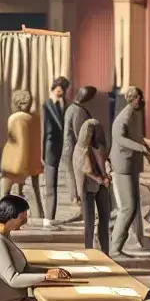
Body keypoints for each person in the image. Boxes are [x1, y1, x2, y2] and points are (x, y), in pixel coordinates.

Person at [108, 85, 150, 256]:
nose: (142, 101)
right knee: (128, 207)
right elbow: (118, 138)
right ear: (132, 99)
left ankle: (139, 239)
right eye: (139, 98)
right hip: (122, 166)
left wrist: (145, 147)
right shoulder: (124, 116)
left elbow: (137, 136)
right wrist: (141, 148)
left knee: (135, 206)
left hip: (132, 165)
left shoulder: (136, 114)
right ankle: (115, 247)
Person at [0, 89, 46, 220]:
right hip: (33, 159)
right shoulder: (36, 118)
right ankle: (38, 216)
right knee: (34, 191)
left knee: (5, 192)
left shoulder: (14, 119)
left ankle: (5, 216)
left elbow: (17, 142)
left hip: (14, 160)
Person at [75, 117, 113, 252]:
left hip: (102, 186)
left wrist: (107, 172)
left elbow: (106, 161)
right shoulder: (80, 148)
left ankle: (105, 251)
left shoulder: (100, 147)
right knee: (89, 223)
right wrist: (101, 179)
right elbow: (85, 170)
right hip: (87, 187)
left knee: (105, 219)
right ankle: (89, 251)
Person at [61, 85, 98, 219]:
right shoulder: (78, 111)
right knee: (78, 179)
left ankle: (79, 208)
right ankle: (80, 209)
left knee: (73, 179)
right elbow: (80, 134)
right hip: (73, 150)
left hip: (69, 149)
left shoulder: (72, 108)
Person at [41, 77, 70, 218]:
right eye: (58, 87)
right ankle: (48, 219)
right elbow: (43, 132)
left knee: (54, 184)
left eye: (63, 88)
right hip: (49, 148)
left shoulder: (63, 104)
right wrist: (41, 154)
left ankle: (49, 216)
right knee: (50, 185)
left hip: (58, 148)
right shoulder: (47, 104)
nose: (60, 90)